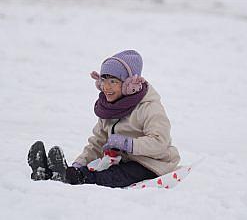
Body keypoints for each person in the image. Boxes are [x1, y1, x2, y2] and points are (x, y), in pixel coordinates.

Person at [27, 50, 180, 188]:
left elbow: (160, 142)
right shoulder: (110, 109)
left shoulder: (149, 107)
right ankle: (51, 174)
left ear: (129, 85)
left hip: (152, 163)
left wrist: (127, 144)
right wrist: (79, 164)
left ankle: (76, 178)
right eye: (103, 81)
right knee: (98, 168)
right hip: (121, 159)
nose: (106, 87)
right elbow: (97, 143)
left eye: (113, 81)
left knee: (115, 175)